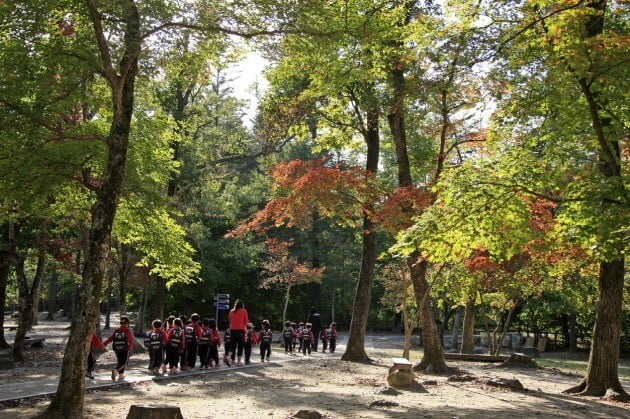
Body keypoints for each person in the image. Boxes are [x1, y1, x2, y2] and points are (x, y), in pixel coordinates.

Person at [102, 316, 134, 381]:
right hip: (125, 349)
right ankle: (116, 370)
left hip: (117, 348)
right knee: (125, 362)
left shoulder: (116, 330)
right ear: (127, 323)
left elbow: (111, 338)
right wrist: (130, 347)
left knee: (120, 361)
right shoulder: (127, 331)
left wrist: (105, 343)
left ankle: (121, 375)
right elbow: (130, 340)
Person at [226, 299, 249, 366]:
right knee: (240, 346)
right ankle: (239, 362)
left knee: (232, 345)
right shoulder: (244, 311)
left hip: (232, 330)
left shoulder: (231, 311)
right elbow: (246, 321)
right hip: (241, 330)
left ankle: (228, 357)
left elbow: (230, 321)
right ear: (242, 305)